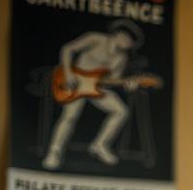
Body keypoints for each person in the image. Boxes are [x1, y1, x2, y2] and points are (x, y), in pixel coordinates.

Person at [43, 20, 143, 170]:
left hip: (95, 87)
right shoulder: (95, 38)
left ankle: (99, 145)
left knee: (121, 111)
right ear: (120, 34)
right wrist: (68, 73)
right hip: (75, 83)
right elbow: (67, 49)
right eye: (129, 40)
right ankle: (54, 151)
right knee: (70, 116)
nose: (129, 45)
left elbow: (110, 81)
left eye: (131, 44)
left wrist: (127, 85)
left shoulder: (122, 58)